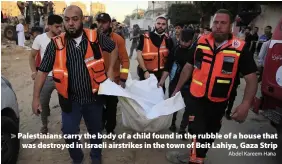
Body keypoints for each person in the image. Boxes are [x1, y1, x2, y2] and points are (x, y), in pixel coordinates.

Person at [168, 9, 258, 164]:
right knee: (196, 130)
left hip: (218, 100)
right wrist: (177, 89)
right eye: (216, 22)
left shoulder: (240, 48)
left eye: (223, 23)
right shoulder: (201, 41)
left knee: (210, 132)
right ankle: (195, 159)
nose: (218, 26)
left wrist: (245, 104)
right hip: (196, 97)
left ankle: (198, 157)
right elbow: (189, 67)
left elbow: (251, 78)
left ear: (230, 26)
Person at [32, 5, 118, 164]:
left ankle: (96, 158)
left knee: (95, 131)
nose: (70, 23)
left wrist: (111, 69)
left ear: (83, 20)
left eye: (75, 19)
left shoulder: (95, 36)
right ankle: (77, 159)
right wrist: (36, 98)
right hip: (70, 99)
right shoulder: (56, 44)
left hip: (94, 97)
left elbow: (113, 48)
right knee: (69, 133)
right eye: (67, 19)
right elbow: (42, 71)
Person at [96, 12, 129, 136]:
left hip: (112, 80)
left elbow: (125, 60)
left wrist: (123, 79)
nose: (101, 25)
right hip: (96, 80)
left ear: (109, 23)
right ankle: (100, 124)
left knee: (111, 107)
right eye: (99, 22)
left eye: (103, 22)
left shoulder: (117, 39)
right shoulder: (92, 38)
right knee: (97, 106)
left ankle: (110, 129)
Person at [29, 15, 63, 134]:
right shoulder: (40, 39)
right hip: (45, 78)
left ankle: (67, 125)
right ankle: (44, 125)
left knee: (65, 102)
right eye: (57, 26)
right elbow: (32, 56)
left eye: (61, 26)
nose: (59, 29)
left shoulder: (64, 38)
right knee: (43, 103)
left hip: (61, 77)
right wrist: (34, 72)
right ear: (49, 26)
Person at [158, 29, 195, 135]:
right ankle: (172, 123)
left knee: (189, 107)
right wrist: (162, 81)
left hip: (190, 84)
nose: (183, 43)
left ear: (192, 40)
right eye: (182, 40)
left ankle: (183, 128)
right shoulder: (175, 50)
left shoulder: (195, 52)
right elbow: (167, 67)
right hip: (174, 82)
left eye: (186, 41)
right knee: (173, 104)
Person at [136, 16, 173, 93]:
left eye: (163, 24)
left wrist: (163, 79)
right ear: (154, 24)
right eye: (158, 23)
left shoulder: (168, 40)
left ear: (166, 26)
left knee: (160, 98)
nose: (160, 26)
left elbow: (169, 61)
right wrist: (145, 71)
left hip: (160, 76)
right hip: (146, 74)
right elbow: (139, 56)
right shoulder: (144, 37)